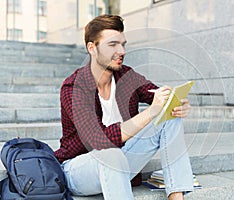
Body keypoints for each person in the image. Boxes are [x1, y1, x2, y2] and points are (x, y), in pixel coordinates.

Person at [54, 14, 194, 200]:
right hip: (80, 170)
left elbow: (155, 94)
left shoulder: (126, 75)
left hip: (121, 162)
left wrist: (175, 103)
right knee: (110, 153)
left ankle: (176, 195)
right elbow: (98, 139)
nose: (121, 51)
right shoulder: (74, 87)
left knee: (170, 117)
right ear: (92, 48)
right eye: (112, 45)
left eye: (123, 44)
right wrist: (151, 112)